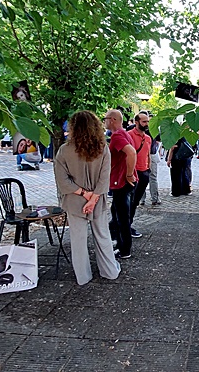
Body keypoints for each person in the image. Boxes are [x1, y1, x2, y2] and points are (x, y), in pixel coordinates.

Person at [54, 110, 120, 285]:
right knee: (103, 236)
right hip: (97, 201)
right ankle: (110, 271)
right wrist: (93, 198)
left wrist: (84, 194)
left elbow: (62, 181)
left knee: (78, 241)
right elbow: (105, 177)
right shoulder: (102, 148)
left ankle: (83, 277)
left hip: (75, 201)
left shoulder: (64, 150)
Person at [104, 109, 137, 259]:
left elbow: (131, 153)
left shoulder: (118, 135)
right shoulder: (124, 133)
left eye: (105, 119)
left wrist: (129, 174)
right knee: (117, 213)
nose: (103, 121)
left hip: (122, 182)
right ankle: (121, 245)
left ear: (112, 120)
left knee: (121, 217)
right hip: (123, 181)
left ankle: (125, 250)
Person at [127, 112, 151, 238]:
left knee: (135, 202)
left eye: (147, 121)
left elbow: (148, 155)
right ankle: (123, 226)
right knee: (128, 202)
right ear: (136, 122)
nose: (146, 124)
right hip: (132, 173)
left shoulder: (148, 138)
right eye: (144, 122)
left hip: (143, 173)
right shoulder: (129, 136)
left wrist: (148, 170)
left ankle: (128, 225)